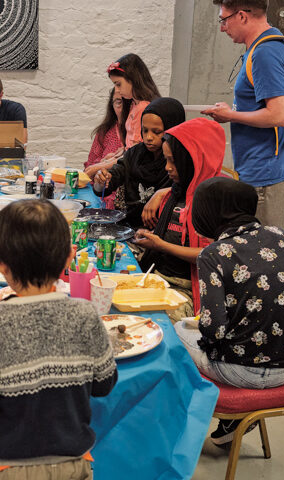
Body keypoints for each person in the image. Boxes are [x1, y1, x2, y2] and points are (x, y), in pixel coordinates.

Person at [0, 199, 117, 479]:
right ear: (69, 259)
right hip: (73, 464)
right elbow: (104, 385)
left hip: (6, 468)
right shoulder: (85, 313)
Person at [177, 176, 284, 446]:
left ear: (210, 213)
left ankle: (178, 425)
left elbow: (214, 330)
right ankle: (234, 421)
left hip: (239, 371)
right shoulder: (283, 237)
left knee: (173, 331)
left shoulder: (213, 254)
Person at [202, 0, 284, 229]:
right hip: (267, 164)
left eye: (224, 20)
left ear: (242, 16)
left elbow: (279, 115)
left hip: (267, 168)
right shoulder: (269, 44)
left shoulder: (265, 53)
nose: (222, 28)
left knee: (262, 250)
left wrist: (230, 116)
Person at [131, 118, 225, 322]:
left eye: (173, 161)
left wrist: (161, 245)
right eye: (166, 160)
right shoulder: (175, 191)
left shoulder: (216, 200)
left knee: (153, 325)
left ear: (195, 159)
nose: (167, 167)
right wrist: (151, 237)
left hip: (187, 290)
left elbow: (213, 255)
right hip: (158, 277)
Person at [91, 97, 185, 229]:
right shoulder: (135, 154)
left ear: (173, 128)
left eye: (156, 132)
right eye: (145, 130)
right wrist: (101, 180)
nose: (149, 137)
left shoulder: (180, 161)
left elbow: (187, 191)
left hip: (164, 233)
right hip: (130, 227)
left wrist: (162, 193)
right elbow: (113, 177)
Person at [107, 53, 161, 149]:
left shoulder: (143, 108)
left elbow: (135, 149)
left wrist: (111, 162)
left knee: (96, 165)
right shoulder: (134, 105)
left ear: (132, 79)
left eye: (118, 84)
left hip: (133, 161)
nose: (116, 90)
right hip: (129, 157)